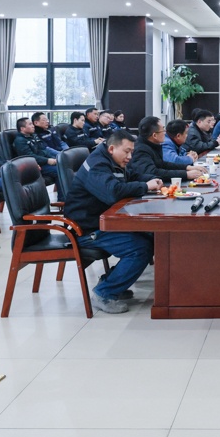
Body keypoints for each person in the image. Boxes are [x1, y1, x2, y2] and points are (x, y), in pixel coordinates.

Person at [63, 129, 162, 313]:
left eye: (132, 152)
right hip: (86, 229)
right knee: (140, 248)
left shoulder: (113, 160)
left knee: (151, 237)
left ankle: (111, 281)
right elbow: (112, 192)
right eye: (127, 152)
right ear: (111, 148)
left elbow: (132, 176)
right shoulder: (97, 165)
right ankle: (104, 293)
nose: (130, 157)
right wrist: (144, 186)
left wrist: (153, 180)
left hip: (105, 221)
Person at [129, 116, 204, 182]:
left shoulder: (151, 144)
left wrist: (187, 168)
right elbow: (152, 172)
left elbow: (163, 164)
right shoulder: (141, 150)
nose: (165, 133)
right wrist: (185, 174)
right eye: (163, 130)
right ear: (154, 135)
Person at [12, 117, 60, 193]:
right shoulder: (20, 141)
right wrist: (47, 160)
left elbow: (43, 150)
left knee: (63, 165)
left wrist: (53, 158)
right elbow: (29, 157)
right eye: (30, 124)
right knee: (59, 171)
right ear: (22, 129)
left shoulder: (33, 136)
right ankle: (62, 197)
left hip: (42, 162)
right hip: (33, 166)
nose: (33, 126)